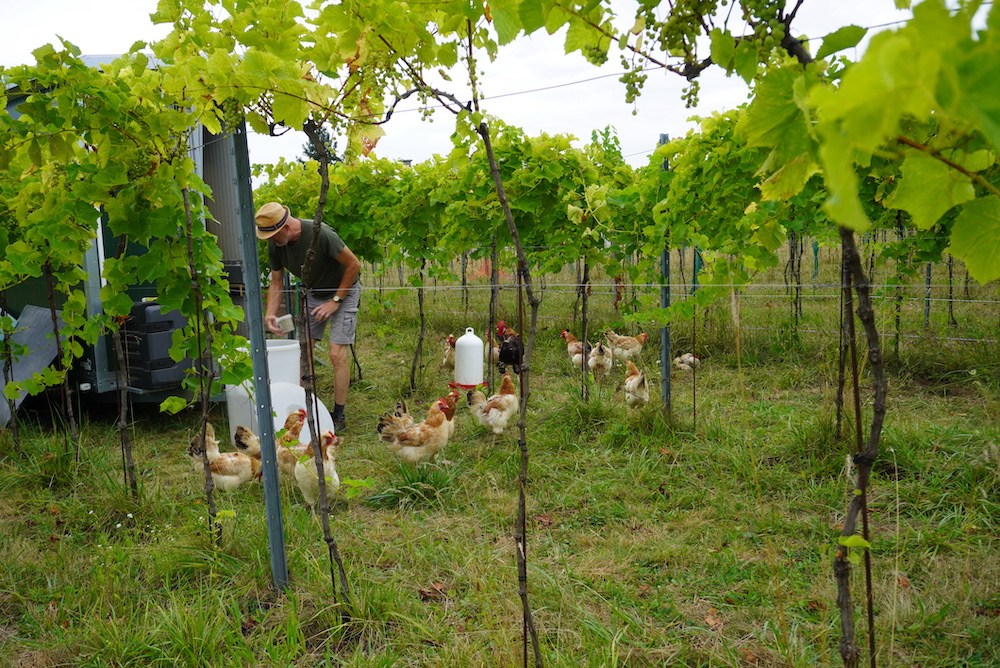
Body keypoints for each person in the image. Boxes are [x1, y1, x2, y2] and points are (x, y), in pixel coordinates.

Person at [256, 201, 362, 432]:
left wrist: (335, 301)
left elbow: (354, 265)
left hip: (343, 291)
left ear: (284, 228)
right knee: (305, 353)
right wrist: (270, 314)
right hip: (313, 294)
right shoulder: (276, 246)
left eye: (273, 236)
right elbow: (276, 281)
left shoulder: (320, 234)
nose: (272, 241)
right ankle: (307, 407)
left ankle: (338, 414)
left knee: (336, 354)